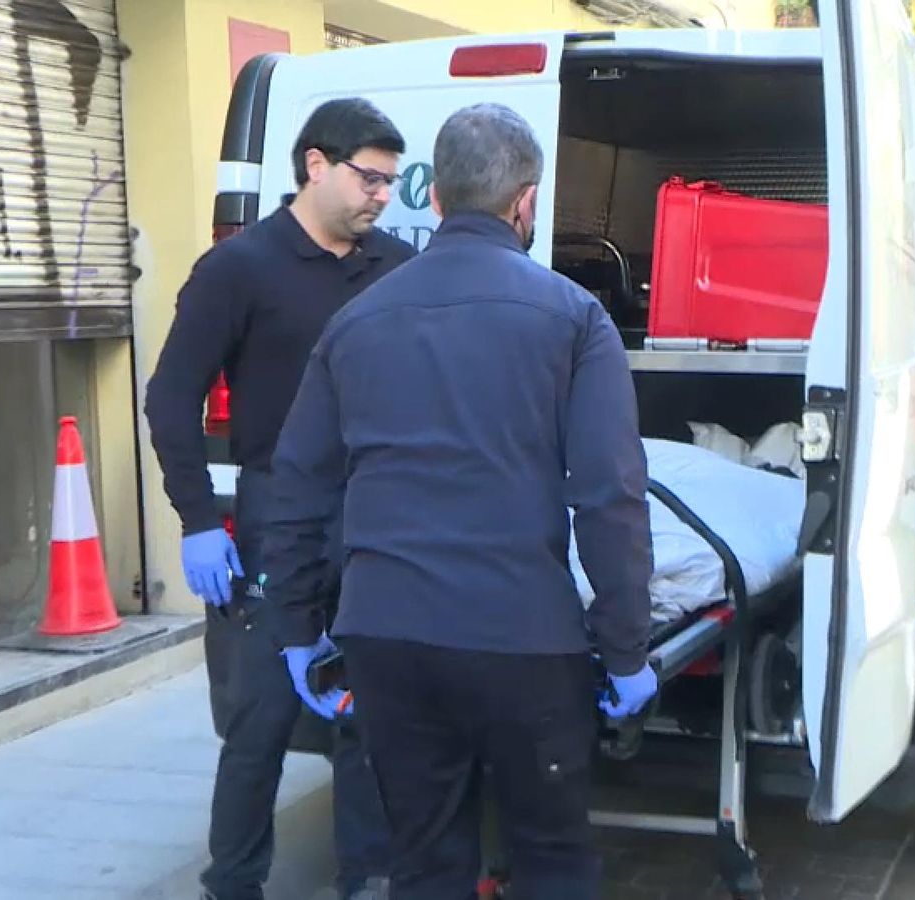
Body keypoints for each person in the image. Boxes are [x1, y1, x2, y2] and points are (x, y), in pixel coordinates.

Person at [258, 102, 657, 899]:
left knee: (426, 861)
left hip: (387, 637)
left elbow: (298, 486)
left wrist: (298, 629)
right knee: (551, 857)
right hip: (523, 639)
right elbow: (609, 495)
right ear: (527, 202)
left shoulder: (354, 322)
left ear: (433, 199)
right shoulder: (576, 320)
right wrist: (625, 648)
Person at [143, 97, 417, 900]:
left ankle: (365, 877)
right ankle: (233, 883)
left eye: (391, 184)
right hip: (276, 522)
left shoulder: (394, 269)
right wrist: (198, 520)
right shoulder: (240, 268)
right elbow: (170, 399)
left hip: (374, 520)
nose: (379, 196)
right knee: (260, 721)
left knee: (371, 715)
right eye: (368, 178)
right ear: (315, 165)